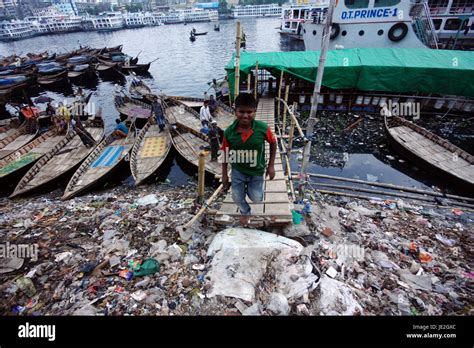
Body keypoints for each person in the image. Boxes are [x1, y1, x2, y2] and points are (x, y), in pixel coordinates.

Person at [221, 93, 276, 226]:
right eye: (241, 111)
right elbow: (224, 153)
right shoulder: (229, 132)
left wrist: (271, 166)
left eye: (249, 112)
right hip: (238, 170)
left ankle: (247, 189)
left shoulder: (263, 128)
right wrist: (224, 175)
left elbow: (273, 143)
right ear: (235, 112)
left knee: (257, 198)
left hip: (257, 170)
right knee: (236, 197)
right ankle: (245, 212)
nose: (245, 115)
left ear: (255, 112)